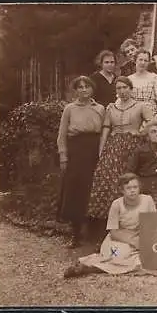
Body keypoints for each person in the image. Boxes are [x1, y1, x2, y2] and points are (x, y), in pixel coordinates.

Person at [64, 173, 157, 278]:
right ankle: (89, 268)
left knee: (146, 259)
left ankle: (92, 267)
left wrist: (143, 241)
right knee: (118, 256)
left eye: (135, 187)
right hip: (119, 240)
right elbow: (114, 232)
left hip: (140, 237)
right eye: (128, 188)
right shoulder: (117, 204)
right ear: (122, 190)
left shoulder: (147, 200)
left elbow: (153, 224)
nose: (132, 190)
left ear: (139, 188)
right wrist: (132, 241)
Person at [87, 76, 153, 220]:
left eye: (125, 88)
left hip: (133, 146)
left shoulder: (141, 106)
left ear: (130, 89)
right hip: (114, 147)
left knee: (130, 179)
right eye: (119, 88)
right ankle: (109, 218)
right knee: (108, 178)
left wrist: (141, 133)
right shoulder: (111, 108)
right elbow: (106, 128)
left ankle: (132, 217)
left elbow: (152, 122)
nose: (122, 91)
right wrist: (102, 149)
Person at [57, 76, 105, 248]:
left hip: (94, 151)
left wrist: (102, 153)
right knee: (74, 191)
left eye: (87, 87)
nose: (84, 90)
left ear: (92, 89)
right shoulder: (69, 108)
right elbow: (62, 134)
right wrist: (63, 155)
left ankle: (94, 233)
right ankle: (75, 234)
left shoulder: (100, 108)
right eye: (80, 87)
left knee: (93, 189)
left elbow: (104, 133)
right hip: (76, 151)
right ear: (75, 90)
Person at [128, 49, 157, 116]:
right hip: (133, 115)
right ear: (135, 61)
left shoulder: (155, 78)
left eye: (146, 60)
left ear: (149, 62)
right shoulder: (129, 79)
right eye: (140, 60)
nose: (143, 63)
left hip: (151, 114)